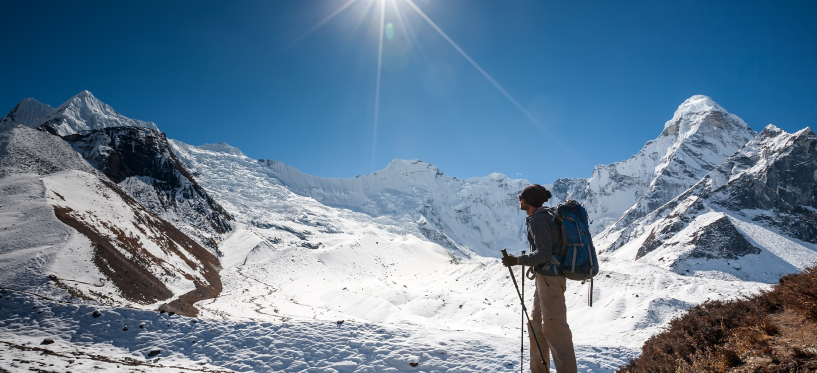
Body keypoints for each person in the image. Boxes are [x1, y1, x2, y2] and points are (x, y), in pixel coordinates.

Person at [502, 184, 577, 373]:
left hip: (550, 280)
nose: (519, 200)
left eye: (521, 197)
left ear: (528, 201)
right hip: (545, 278)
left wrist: (517, 260)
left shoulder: (540, 219)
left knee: (555, 330)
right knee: (535, 326)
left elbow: (543, 253)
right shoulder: (542, 217)